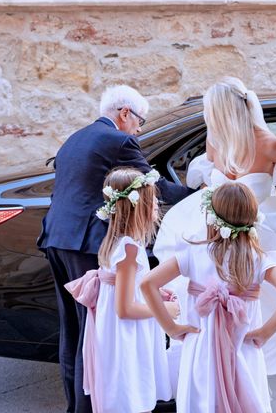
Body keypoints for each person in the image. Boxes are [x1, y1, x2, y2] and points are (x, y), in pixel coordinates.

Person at [154, 77, 276, 412]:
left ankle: (213, 378)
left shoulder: (216, 142)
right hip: (256, 233)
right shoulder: (270, 143)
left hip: (212, 228)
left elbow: (204, 179)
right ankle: (261, 363)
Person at [37, 85, 193, 413]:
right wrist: (199, 196)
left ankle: (75, 406)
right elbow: (153, 185)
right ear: (124, 114)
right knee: (91, 335)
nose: (139, 129)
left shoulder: (75, 138)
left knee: (72, 331)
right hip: (86, 243)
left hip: (56, 238)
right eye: (140, 121)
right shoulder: (119, 140)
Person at [141, 183, 276, 413]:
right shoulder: (256, 259)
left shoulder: (193, 253)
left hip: (201, 349)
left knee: (202, 400)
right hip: (243, 347)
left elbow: (147, 283)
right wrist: (265, 332)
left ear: (212, 217)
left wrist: (171, 328)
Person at [65, 168, 176, 413]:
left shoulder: (119, 241)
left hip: (120, 331)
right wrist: (164, 309)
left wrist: (156, 293)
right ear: (139, 206)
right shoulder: (129, 249)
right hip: (126, 335)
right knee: (132, 397)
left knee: (130, 397)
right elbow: (125, 309)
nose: (157, 202)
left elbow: (130, 286)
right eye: (152, 198)